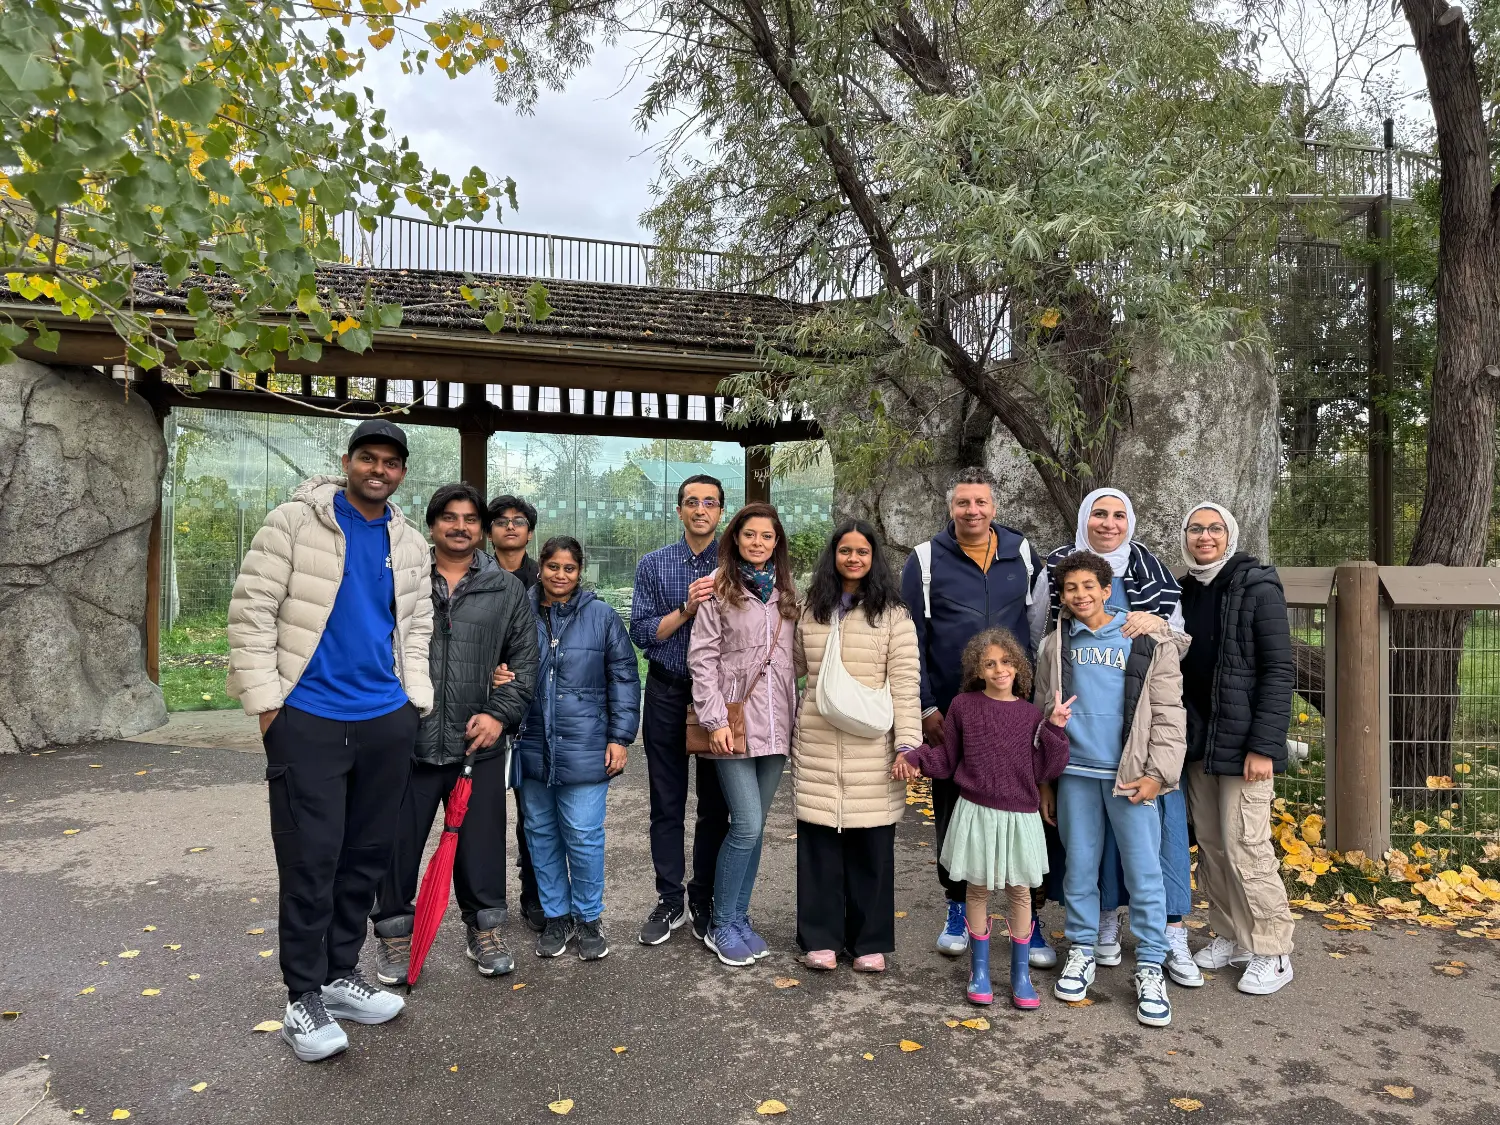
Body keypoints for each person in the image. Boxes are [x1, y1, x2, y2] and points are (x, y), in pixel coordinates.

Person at [226, 418, 431, 1063]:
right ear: (347, 462)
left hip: (385, 719)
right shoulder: (294, 522)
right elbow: (252, 611)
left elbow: (417, 626)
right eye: (368, 458)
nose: (378, 470)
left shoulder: (409, 540)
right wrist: (269, 707)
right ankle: (302, 996)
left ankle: (341, 976)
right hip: (308, 717)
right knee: (310, 860)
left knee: (365, 857)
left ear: (401, 472)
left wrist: (414, 698)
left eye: (390, 462)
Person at [1028, 488, 1200, 987]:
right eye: (1071, 588)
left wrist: (1158, 774)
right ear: (1061, 594)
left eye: (1090, 586)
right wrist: (1046, 779)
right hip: (1076, 774)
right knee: (1080, 868)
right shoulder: (1056, 644)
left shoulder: (1144, 637)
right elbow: (1041, 710)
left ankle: (1150, 962)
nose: (1081, 595)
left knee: (1145, 870)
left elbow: (1168, 714)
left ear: (1108, 590)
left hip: (1129, 774)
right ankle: (1082, 947)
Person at [370, 483, 539, 986]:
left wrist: (499, 715)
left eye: (469, 519)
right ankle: (394, 935)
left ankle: (484, 931)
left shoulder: (504, 588)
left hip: (476, 741)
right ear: (432, 524)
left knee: (480, 847)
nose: (459, 527)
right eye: (449, 517)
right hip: (408, 739)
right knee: (396, 844)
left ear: (480, 529)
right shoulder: (402, 577)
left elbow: (525, 661)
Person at [899, 466, 1039, 958]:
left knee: (1025, 807)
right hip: (951, 711)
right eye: (963, 503)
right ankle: (957, 904)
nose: (972, 511)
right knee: (953, 809)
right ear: (951, 507)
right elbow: (911, 640)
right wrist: (926, 706)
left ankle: (1030, 913)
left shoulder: (1021, 553)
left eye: (981, 502)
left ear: (994, 506)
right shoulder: (924, 560)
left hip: (1013, 708)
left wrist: (1033, 702)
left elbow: (1036, 628)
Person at [894, 629, 1070, 1009]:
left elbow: (1045, 768)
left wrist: (1055, 728)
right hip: (975, 811)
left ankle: (1020, 976)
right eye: (989, 663)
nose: (999, 669)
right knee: (976, 890)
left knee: (1019, 891)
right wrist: (916, 756)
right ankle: (980, 971)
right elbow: (948, 758)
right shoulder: (963, 706)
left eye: (1006, 662)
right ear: (977, 669)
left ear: (1018, 666)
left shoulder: (1030, 715)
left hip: (1019, 817)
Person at [1178, 503, 1298, 995]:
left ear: (1229, 535)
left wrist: (1264, 745)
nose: (1204, 536)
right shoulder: (1183, 590)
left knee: (1246, 845)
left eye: (1214, 528)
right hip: (1199, 744)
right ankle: (1232, 935)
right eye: (1196, 528)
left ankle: (1273, 949)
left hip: (1245, 744)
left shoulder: (1257, 587)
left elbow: (1279, 670)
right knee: (1212, 845)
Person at [791, 521, 921, 973]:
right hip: (818, 741)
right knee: (819, 844)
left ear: (873, 558)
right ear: (833, 556)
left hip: (873, 746)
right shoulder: (809, 609)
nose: (853, 558)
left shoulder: (894, 616)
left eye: (862, 551)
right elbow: (791, 668)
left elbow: (905, 684)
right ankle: (820, 938)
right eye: (845, 550)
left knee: (872, 846)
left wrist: (908, 745)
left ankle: (869, 942)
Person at [511, 536, 641, 962]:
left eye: (569, 568)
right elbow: (500, 663)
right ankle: (556, 916)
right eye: (553, 567)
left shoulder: (602, 616)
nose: (560, 575)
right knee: (540, 833)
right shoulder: (519, 612)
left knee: (583, 836)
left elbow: (624, 679)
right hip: (531, 742)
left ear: (580, 571)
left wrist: (620, 738)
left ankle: (588, 918)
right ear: (541, 567)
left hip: (586, 744)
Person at [687, 501, 799, 968]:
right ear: (735, 538)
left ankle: (739, 916)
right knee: (746, 824)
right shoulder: (718, 589)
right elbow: (702, 660)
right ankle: (720, 923)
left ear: (777, 543)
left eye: (767, 536)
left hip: (777, 725)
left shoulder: (787, 593)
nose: (758, 542)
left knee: (756, 830)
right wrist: (714, 721)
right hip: (733, 726)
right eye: (750, 534)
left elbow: (796, 658)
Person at [629, 474, 732, 946]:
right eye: (692, 502)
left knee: (716, 806)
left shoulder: (735, 564)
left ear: (720, 511)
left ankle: (703, 898)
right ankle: (669, 898)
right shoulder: (654, 563)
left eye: (710, 502)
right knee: (666, 802)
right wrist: (687, 610)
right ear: (679, 510)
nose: (701, 509)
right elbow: (642, 632)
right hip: (668, 691)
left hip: (719, 699)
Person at [487, 492, 543, 931]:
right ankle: (485, 902)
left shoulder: (546, 578)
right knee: (483, 810)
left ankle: (535, 894)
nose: (510, 526)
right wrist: (486, 672)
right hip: (483, 703)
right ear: (489, 531)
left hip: (535, 705)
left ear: (529, 530)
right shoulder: (476, 575)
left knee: (534, 811)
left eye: (518, 520)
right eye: (502, 520)